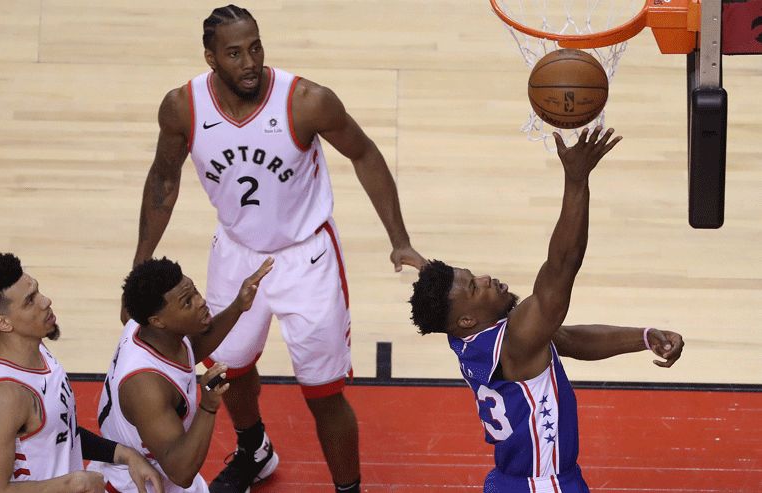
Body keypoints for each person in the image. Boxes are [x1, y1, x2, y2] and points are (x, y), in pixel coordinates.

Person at [128, 5, 426, 493]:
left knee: (323, 393)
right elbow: (163, 176)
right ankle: (255, 451)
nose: (250, 62)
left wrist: (400, 240)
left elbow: (365, 152)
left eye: (256, 47)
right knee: (228, 368)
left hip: (306, 258)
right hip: (236, 250)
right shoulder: (183, 107)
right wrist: (141, 260)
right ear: (210, 58)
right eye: (234, 53)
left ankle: (349, 489)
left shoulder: (306, 101)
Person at [408, 128, 685, 491]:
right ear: (465, 319)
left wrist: (644, 338)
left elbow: (566, 339)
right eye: (475, 286)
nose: (487, 278)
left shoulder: (475, 340)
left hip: (506, 481)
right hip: (544, 485)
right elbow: (563, 265)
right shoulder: (516, 340)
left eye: (474, 274)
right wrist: (576, 180)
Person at [0, 253, 164, 493]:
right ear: (3, 323)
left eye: (38, 291)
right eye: (30, 301)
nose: (45, 301)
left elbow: (60, 431)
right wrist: (73, 484)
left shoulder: (33, 348)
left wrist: (125, 455)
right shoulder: (4, 397)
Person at [90, 257, 273, 493]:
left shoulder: (149, 329)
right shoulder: (145, 387)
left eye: (195, 291)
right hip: (139, 484)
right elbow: (182, 473)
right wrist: (207, 406)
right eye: (187, 303)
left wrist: (238, 306)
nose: (201, 302)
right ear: (158, 321)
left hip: (161, 467)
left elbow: (190, 349)